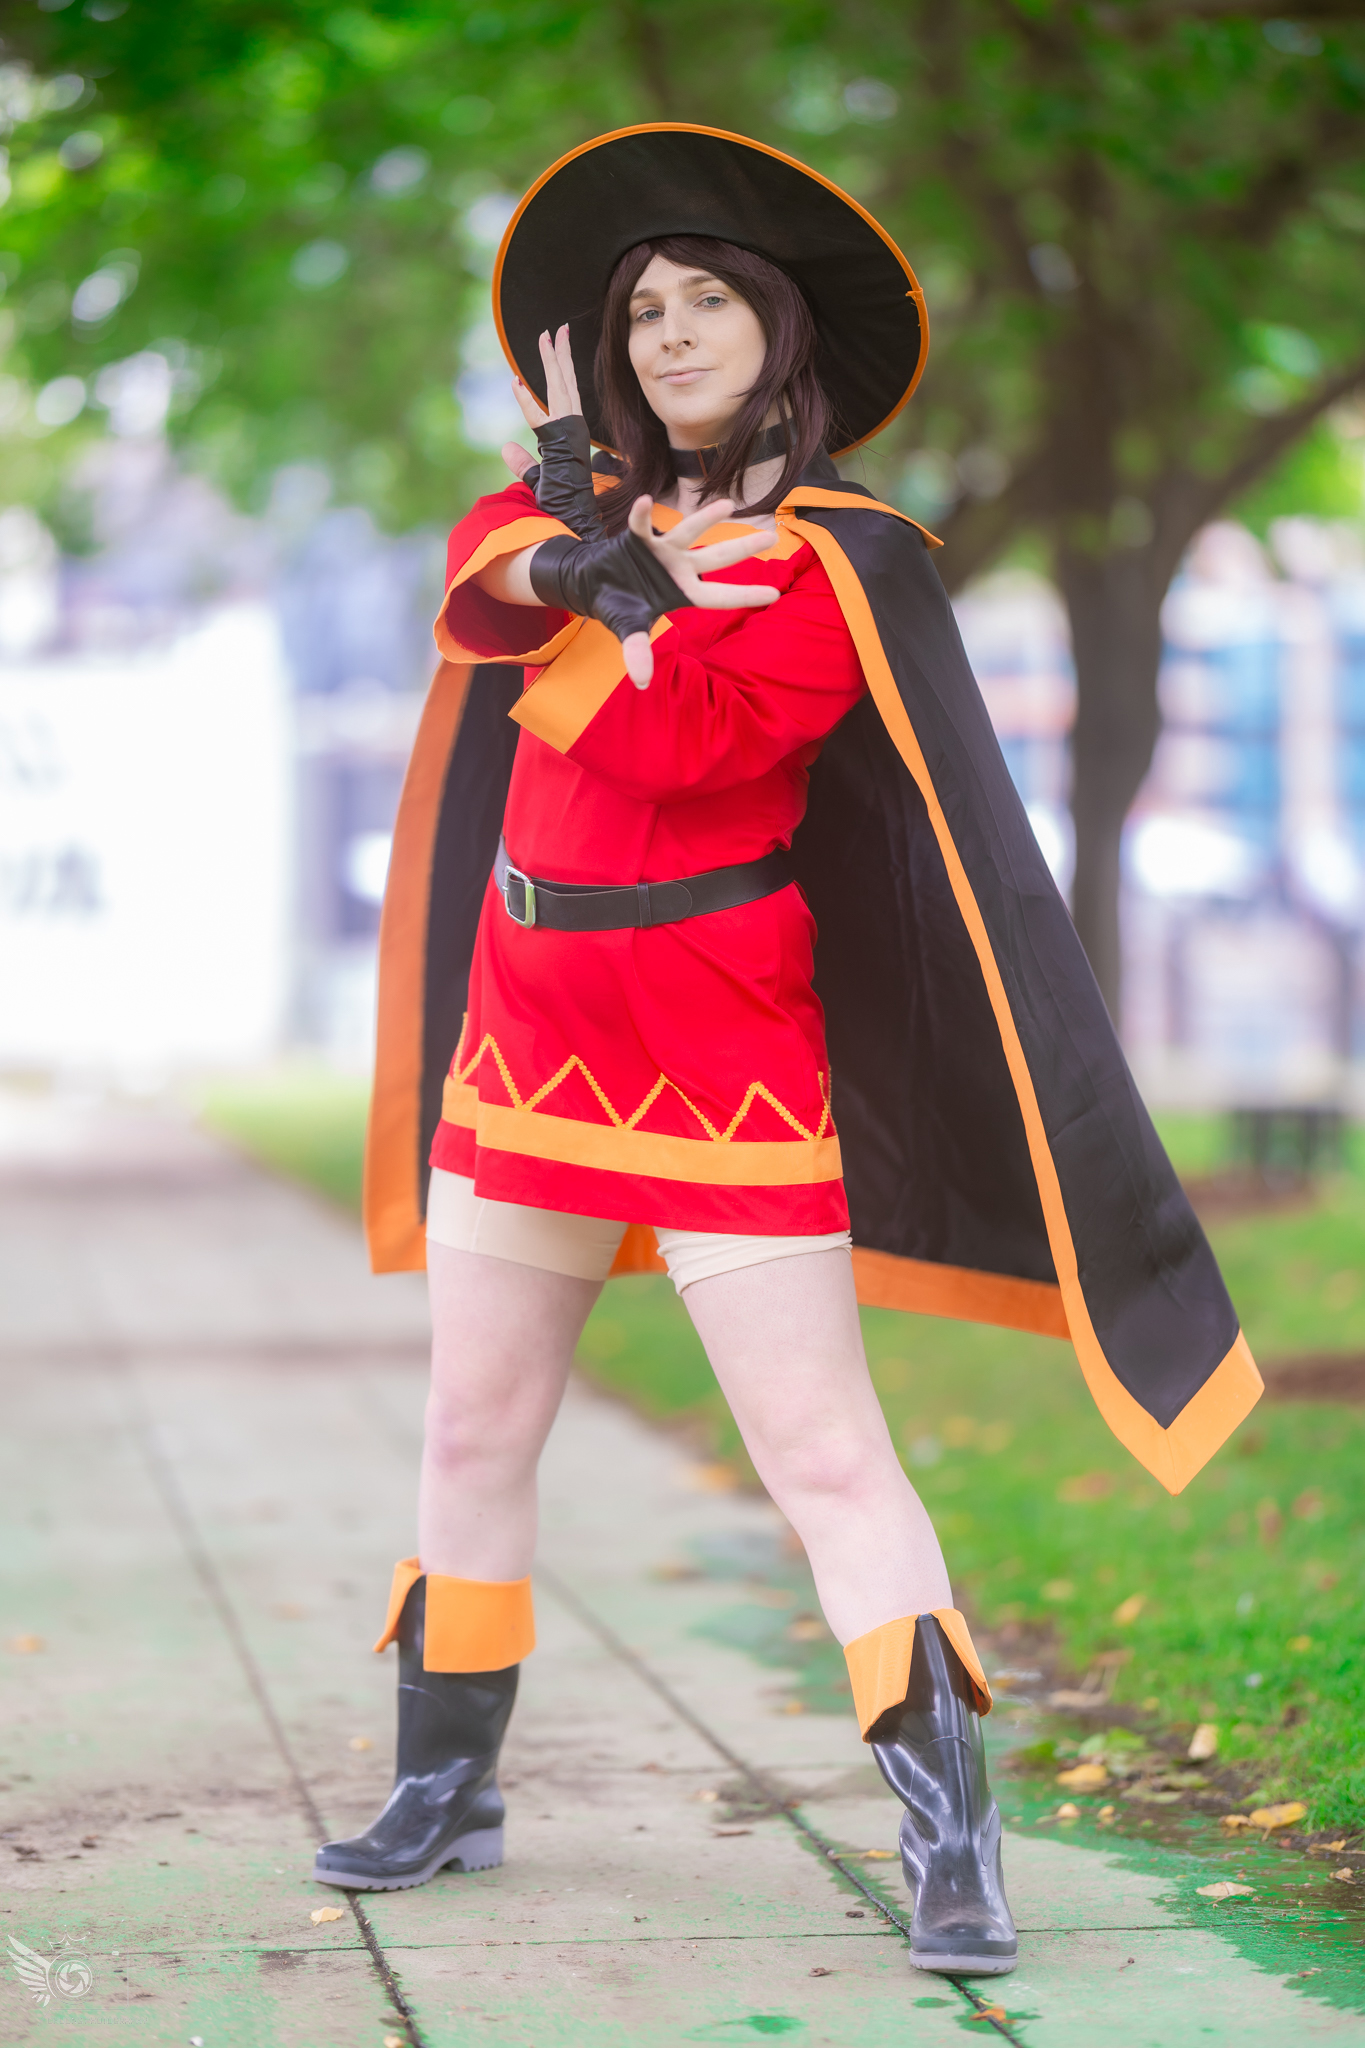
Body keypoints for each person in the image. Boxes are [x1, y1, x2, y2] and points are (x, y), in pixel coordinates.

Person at [314, 127, 1262, 1981]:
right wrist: (580, 560)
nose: (667, 337)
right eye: (639, 314)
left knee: (823, 1454)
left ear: (778, 330)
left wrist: (601, 604)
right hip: (527, 1029)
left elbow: (685, 748)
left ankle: (951, 1837)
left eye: (705, 304)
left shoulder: (846, 556)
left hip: (717, 1047)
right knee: (473, 1423)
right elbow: (480, 568)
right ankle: (446, 1782)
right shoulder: (577, 513)